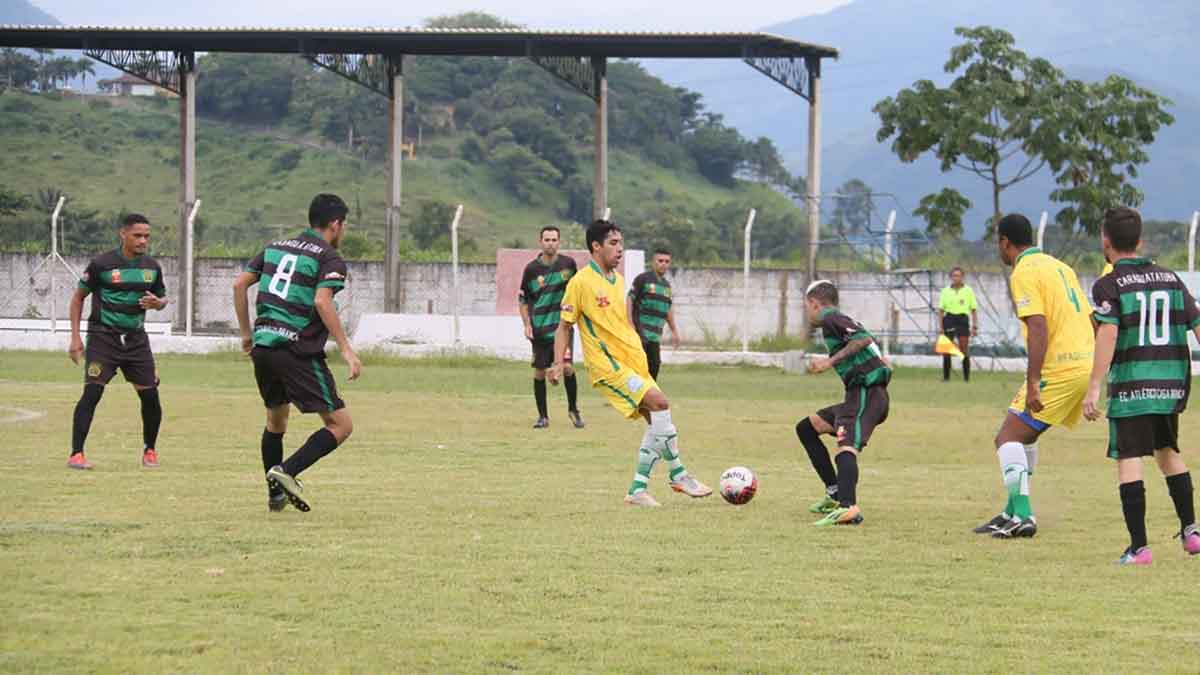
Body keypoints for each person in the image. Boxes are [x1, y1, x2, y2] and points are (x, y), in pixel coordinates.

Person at [548, 220, 711, 506]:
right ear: (595, 247)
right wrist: (559, 362)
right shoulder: (580, 282)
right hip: (608, 366)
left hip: (632, 361)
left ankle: (638, 489)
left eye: (621, 243)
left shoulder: (618, 280)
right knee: (660, 403)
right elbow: (564, 326)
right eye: (613, 243)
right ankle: (678, 475)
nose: (620, 249)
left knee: (657, 421)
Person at [1082, 207, 1200, 565]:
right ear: (1140, 240)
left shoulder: (1108, 284)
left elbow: (1110, 331)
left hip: (1133, 386)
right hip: (1169, 386)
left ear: (1106, 241)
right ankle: (1192, 531)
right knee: (1168, 453)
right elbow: (1197, 323)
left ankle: (1139, 548)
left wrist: (1094, 385)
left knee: (1130, 459)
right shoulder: (1171, 278)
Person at [232, 193, 362, 512]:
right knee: (341, 425)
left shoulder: (275, 247)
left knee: (276, 420)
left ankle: (275, 497)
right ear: (335, 224)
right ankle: (286, 472)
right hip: (295, 348)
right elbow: (321, 301)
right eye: (343, 225)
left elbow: (239, 285)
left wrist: (247, 335)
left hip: (264, 344)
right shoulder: (329, 258)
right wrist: (346, 348)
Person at [973, 213, 1094, 539]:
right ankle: (1011, 510)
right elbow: (1090, 317)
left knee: (1007, 438)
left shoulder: (1024, 271)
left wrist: (1033, 381)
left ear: (1005, 242)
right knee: (1025, 436)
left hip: (1061, 366)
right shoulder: (1060, 266)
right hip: (1082, 362)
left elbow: (1038, 326)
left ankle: (1023, 515)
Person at [66, 213, 168, 470]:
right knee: (92, 393)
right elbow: (78, 298)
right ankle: (76, 454)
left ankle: (150, 451)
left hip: (136, 340)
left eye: (146, 236)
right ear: (123, 234)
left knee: (151, 398)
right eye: (137, 235)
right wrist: (76, 337)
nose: (143, 240)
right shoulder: (102, 264)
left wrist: (158, 304)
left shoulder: (152, 267)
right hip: (103, 338)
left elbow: (161, 299)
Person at [795, 280, 891, 526]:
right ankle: (834, 493)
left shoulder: (830, 318)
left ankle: (848, 507)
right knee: (807, 427)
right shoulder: (835, 321)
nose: (807, 312)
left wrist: (829, 362)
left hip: (866, 394)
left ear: (815, 303)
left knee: (846, 444)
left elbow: (862, 338)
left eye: (807, 306)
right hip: (860, 395)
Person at [518, 226, 583, 429]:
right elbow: (523, 299)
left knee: (567, 367)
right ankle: (543, 417)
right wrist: (527, 324)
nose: (550, 243)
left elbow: (578, 291)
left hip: (562, 327)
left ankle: (573, 410)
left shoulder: (568, 265)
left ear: (559, 242)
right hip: (539, 328)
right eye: (547, 239)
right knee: (539, 372)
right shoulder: (531, 270)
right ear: (540, 242)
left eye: (554, 239)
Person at [627, 247, 681, 380]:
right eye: (660, 260)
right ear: (653, 262)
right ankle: (633, 398)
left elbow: (667, 309)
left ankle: (647, 399)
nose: (663, 264)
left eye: (667, 261)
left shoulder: (666, 286)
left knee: (654, 366)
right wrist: (630, 323)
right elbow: (629, 299)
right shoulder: (643, 279)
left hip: (655, 335)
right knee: (639, 366)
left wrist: (674, 331)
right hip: (641, 331)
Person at [938, 266, 978, 382]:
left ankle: (966, 378)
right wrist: (940, 327)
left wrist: (975, 326)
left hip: (962, 320)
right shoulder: (945, 291)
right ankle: (946, 378)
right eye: (954, 276)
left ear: (963, 277)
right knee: (947, 349)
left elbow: (974, 310)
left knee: (964, 349)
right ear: (951, 277)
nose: (957, 278)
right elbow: (940, 310)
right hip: (949, 319)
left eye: (959, 276)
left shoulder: (968, 290)